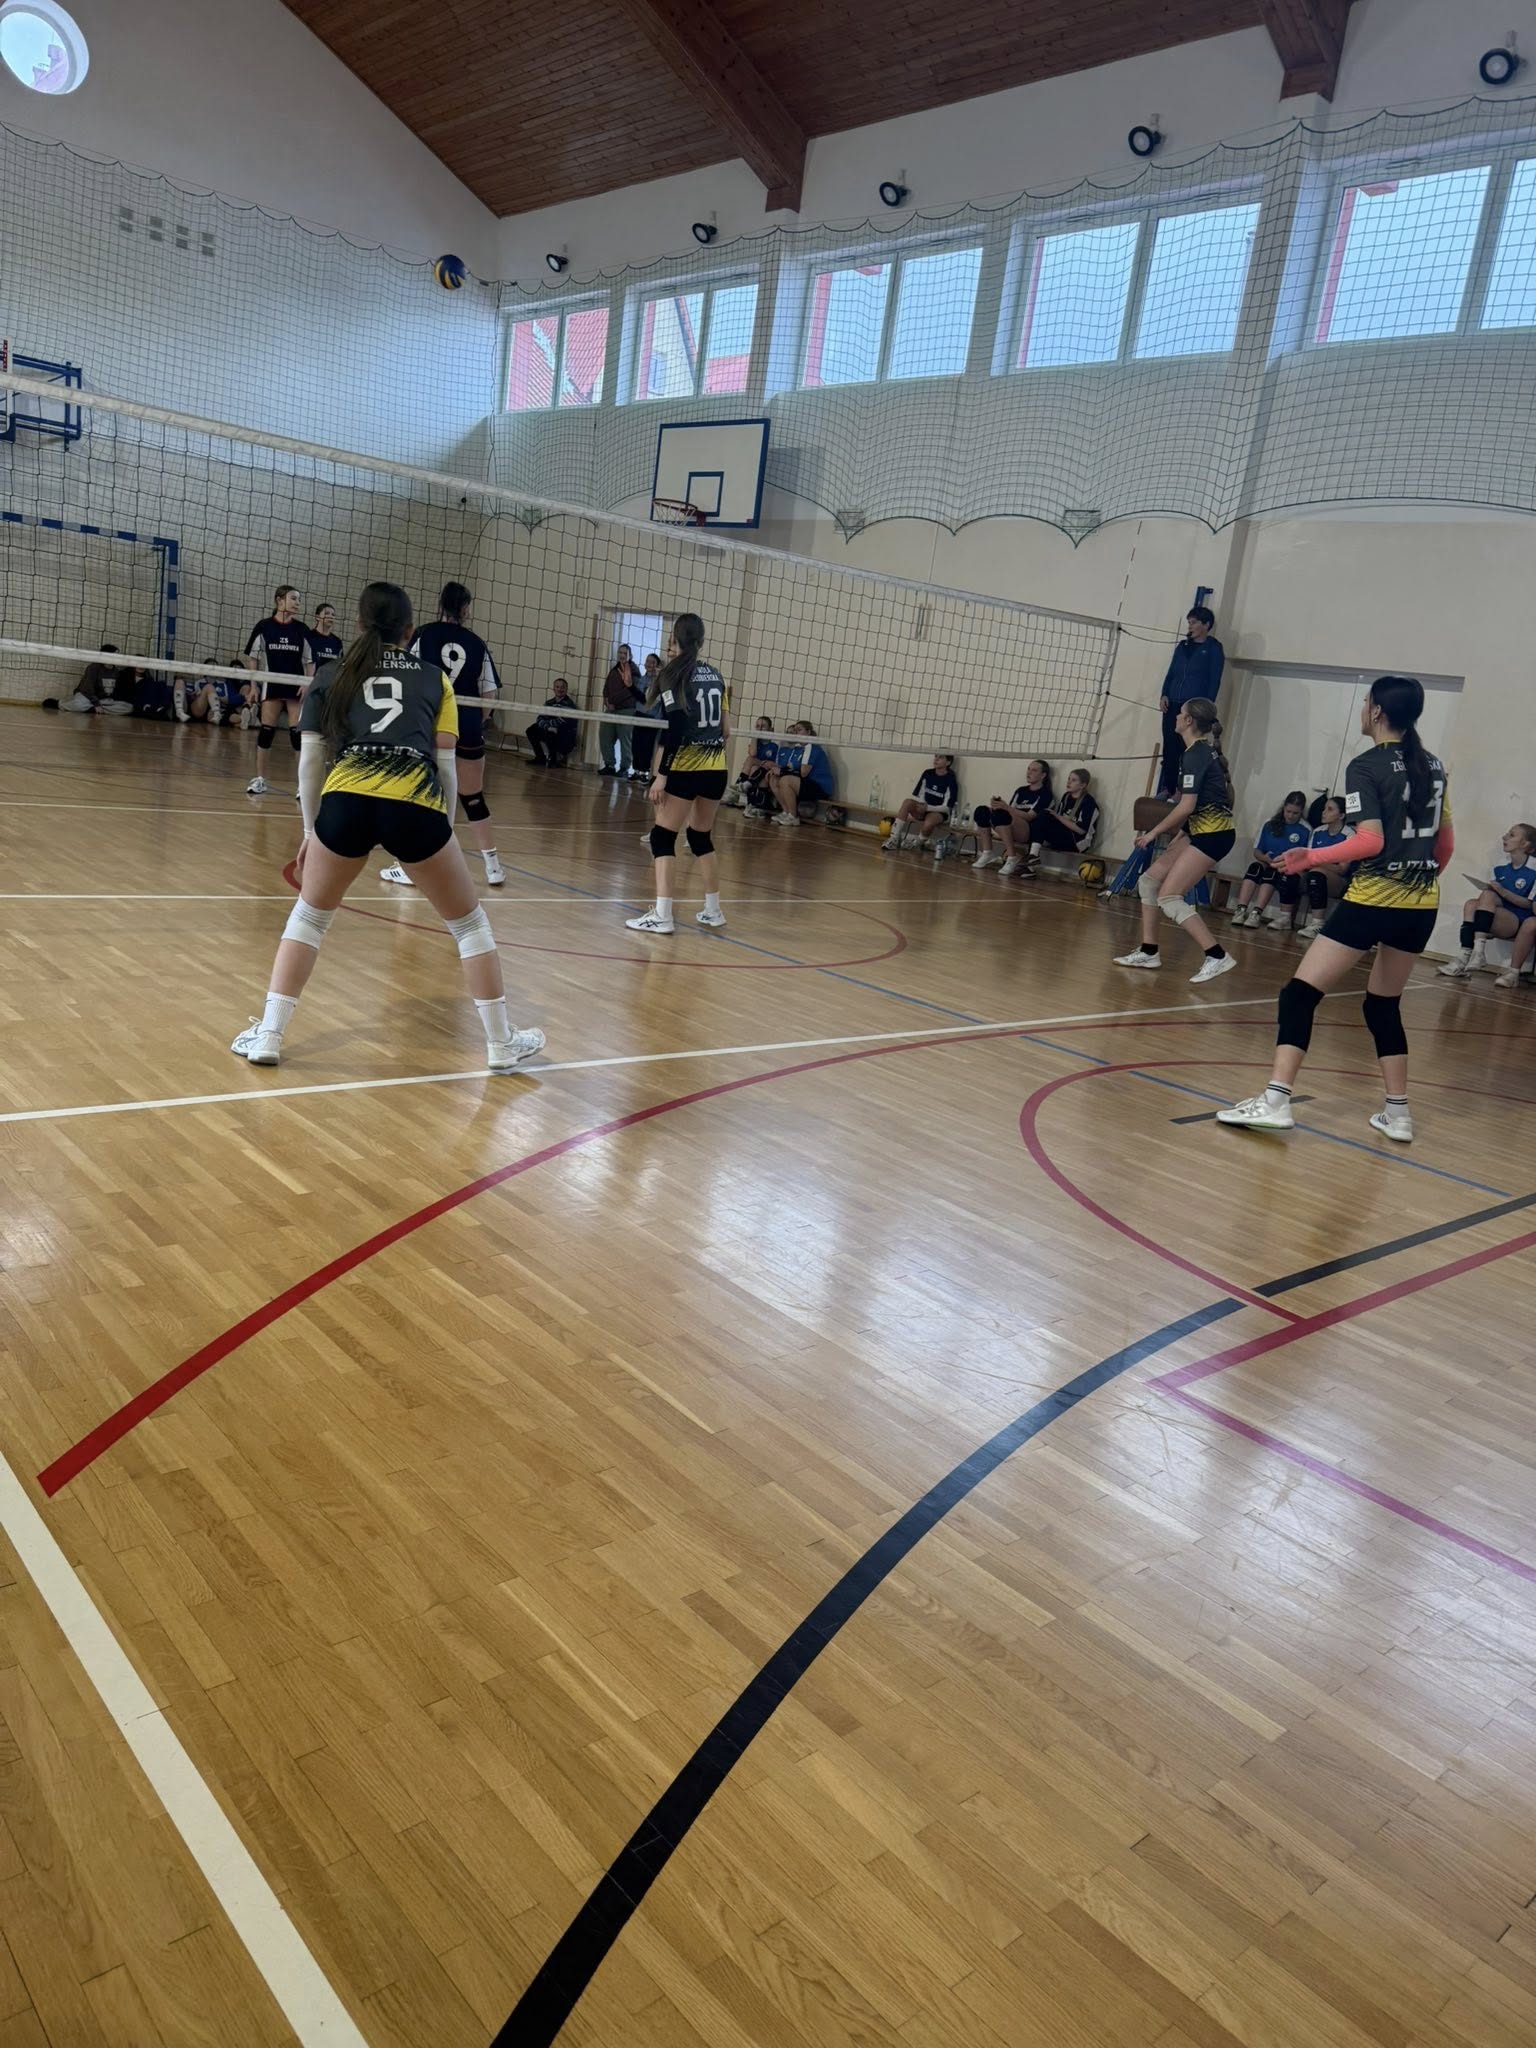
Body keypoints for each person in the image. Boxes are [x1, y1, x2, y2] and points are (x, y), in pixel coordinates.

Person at [229, 580, 543, 1072]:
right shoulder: (434, 679)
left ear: (358, 624)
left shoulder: (331, 673)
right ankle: (501, 1043)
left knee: (309, 917)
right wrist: (443, 831)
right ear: (409, 631)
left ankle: (269, 1033)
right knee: (469, 925)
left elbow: (309, 763)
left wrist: (310, 833)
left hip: (347, 799)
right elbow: (446, 769)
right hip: (414, 801)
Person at [1218, 675, 1450, 1143]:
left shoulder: (1367, 765)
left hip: (1373, 900)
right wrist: (1415, 883)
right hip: (1421, 905)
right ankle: (1398, 1115)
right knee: (1382, 1005)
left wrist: (1312, 856)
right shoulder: (1434, 764)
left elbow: (1371, 840)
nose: (1363, 708)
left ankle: (1276, 1101)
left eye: (1366, 702)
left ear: (1378, 711)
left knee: (1299, 995)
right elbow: (1444, 846)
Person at [380, 581, 506, 888]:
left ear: (441, 605)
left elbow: (403, 672)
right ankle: (493, 868)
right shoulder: (476, 642)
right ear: (466, 609)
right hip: (468, 722)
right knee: (473, 798)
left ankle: (409, 867)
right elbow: (489, 695)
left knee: (418, 793)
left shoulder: (423, 634)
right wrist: (477, 721)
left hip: (431, 721)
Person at [1115, 698, 1236, 984]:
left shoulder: (1196, 754)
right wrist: (1182, 835)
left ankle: (1217, 955)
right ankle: (1149, 951)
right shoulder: (1197, 752)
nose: (1176, 717)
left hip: (1213, 835)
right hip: (1198, 830)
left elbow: (1186, 806)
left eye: (1181, 714)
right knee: (1149, 882)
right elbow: (1198, 806)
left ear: (1189, 721)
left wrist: (1153, 833)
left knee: (1169, 897)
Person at [625, 612, 729, 937]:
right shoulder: (716, 675)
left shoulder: (673, 674)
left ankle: (662, 915)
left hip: (685, 767)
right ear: (701, 640)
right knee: (700, 838)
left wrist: (662, 775)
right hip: (716, 767)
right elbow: (725, 731)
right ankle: (713, 911)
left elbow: (677, 728)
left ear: (676, 640)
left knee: (662, 838)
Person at [1437, 822, 1536, 979]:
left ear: (1525, 844)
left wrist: (1502, 892)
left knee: (1487, 896)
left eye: (1511, 835)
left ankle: (1476, 954)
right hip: (1498, 914)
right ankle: (1466, 957)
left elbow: (1529, 904)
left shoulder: (1533, 868)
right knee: (1471, 904)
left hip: (1519, 920)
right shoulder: (1500, 865)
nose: (1504, 837)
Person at [241, 584, 314, 794]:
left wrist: (306, 683)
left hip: (295, 687)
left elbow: (310, 661)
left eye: (298, 599)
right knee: (266, 732)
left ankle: (302, 785)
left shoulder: (301, 629)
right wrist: (253, 685)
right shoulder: (264, 626)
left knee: (296, 736)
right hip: (271, 684)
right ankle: (260, 779)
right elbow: (253, 657)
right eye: (293, 598)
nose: (297, 603)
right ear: (279, 601)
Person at [1156, 605, 1225, 796]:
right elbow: (1171, 673)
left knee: (1186, 749)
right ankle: (1169, 788)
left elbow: (1214, 680)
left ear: (1206, 625)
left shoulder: (1213, 649)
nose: (1190, 626)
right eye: (1189, 622)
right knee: (1170, 746)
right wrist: (1164, 694)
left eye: (1194, 622)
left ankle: (1182, 790)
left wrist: (1205, 708)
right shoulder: (1182, 647)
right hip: (1173, 704)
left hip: (1192, 708)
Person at [1229, 790, 1309, 928]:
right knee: (1255, 868)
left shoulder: (1305, 829)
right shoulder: (1270, 823)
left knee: (1271, 874)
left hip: (1286, 867)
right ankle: (1240, 910)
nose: (1290, 816)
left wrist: (1286, 863)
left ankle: (1256, 913)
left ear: (1301, 811)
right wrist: (1265, 858)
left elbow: (1305, 857)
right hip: (1267, 862)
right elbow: (1257, 851)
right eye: (1288, 811)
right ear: (1284, 807)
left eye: (1295, 813)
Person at [1007, 766, 1100, 876]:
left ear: (1083, 785)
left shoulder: (1088, 802)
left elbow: (1081, 830)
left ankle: (1033, 857)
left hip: (1078, 842)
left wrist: (1058, 817)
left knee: (1045, 815)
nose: (1069, 782)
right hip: (1064, 836)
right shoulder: (1066, 797)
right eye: (1068, 779)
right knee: (1042, 816)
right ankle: (1031, 864)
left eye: (1074, 780)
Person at [970, 760, 1053, 873]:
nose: (1029, 772)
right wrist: (997, 805)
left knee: (1002, 815)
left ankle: (1012, 857)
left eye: (1034, 770)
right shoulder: (1021, 790)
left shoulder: (1045, 794)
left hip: (1027, 830)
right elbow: (1008, 811)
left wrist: (1005, 807)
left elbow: (1029, 817)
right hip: (1011, 824)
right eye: (1028, 769)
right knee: (982, 811)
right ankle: (987, 852)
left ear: (1043, 775)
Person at [1297, 795, 1350, 938]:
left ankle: (1318, 924)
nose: (1323, 812)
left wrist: (1319, 862)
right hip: (1314, 871)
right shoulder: (1317, 831)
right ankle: (1285, 917)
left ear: (1341, 815)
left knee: (1316, 874)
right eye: (1324, 808)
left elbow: (1342, 869)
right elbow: (1307, 858)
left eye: (1330, 809)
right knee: (1289, 874)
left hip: (1340, 881)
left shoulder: (1349, 835)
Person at [885, 754, 959, 852]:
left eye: (940, 757)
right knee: (907, 802)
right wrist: (922, 806)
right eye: (936, 756)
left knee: (930, 821)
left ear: (948, 762)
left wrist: (927, 808)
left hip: (939, 812)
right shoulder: (927, 773)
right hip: (924, 808)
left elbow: (947, 808)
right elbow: (921, 795)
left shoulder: (951, 779)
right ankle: (894, 838)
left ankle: (918, 842)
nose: (936, 759)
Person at [764, 722, 833, 826]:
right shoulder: (797, 749)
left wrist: (781, 772)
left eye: (799, 730)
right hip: (807, 783)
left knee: (785, 780)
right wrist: (775, 769)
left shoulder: (812, 747)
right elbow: (790, 768)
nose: (796, 732)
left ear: (808, 732)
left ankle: (793, 816)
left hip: (821, 786)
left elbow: (803, 773)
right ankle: (786, 811)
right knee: (774, 779)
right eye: (795, 730)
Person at [600, 644, 639, 778]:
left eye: (624, 653)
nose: (622, 655)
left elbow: (630, 690)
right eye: (620, 653)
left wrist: (613, 701)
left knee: (625, 740)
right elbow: (606, 686)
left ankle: (624, 768)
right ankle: (609, 765)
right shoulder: (615, 669)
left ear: (630, 655)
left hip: (626, 710)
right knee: (605, 736)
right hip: (611, 709)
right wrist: (606, 699)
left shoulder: (633, 670)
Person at [726, 716, 778, 812]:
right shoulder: (755, 743)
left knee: (750, 760)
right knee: (753, 767)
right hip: (757, 771)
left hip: (767, 771)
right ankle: (751, 803)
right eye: (757, 726)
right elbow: (753, 752)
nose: (760, 729)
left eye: (763, 726)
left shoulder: (774, 745)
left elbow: (769, 763)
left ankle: (738, 789)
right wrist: (754, 736)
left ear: (770, 729)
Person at [64, 646, 135, 715]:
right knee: (79, 705)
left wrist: (101, 703)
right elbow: (88, 688)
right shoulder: (93, 667)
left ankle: (92, 709)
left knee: (129, 707)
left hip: (102, 699)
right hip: (86, 696)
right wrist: (96, 704)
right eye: (115, 655)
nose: (117, 657)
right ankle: (62, 704)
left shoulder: (115, 671)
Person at [526, 678, 580, 765]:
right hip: (551, 731)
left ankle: (554, 759)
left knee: (552, 732)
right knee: (532, 729)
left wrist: (549, 725)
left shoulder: (569, 704)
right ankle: (540, 758)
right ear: (553, 689)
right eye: (557, 687)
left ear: (566, 689)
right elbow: (540, 718)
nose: (560, 689)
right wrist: (548, 727)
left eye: (562, 687)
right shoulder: (549, 703)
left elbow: (561, 721)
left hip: (565, 737)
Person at [631, 653, 665, 779]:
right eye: (647, 661)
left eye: (652, 662)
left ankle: (644, 772)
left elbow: (658, 701)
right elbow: (639, 697)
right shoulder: (641, 679)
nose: (649, 664)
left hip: (652, 718)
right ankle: (636, 771)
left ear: (657, 665)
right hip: (639, 715)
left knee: (647, 746)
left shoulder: (660, 682)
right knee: (636, 745)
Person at [308, 603, 344, 669]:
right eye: (327, 613)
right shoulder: (308, 637)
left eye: (333, 615)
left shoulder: (337, 642)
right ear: (317, 617)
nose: (331, 616)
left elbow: (339, 665)